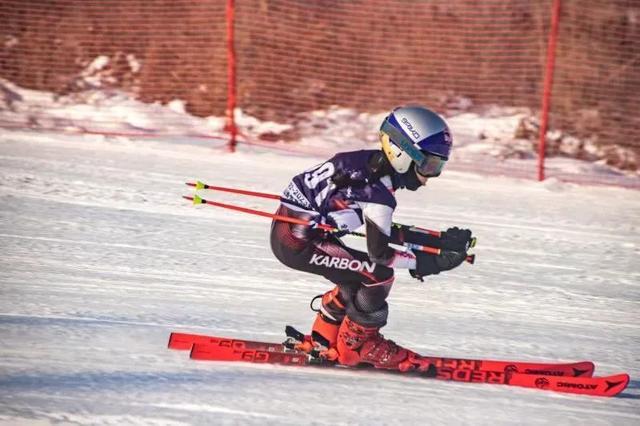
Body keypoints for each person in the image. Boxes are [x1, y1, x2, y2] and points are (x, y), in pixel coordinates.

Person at [270, 105, 473, 373]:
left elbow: (381, 228)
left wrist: (438, 242)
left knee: (357, 276)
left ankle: (324, 340)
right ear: (404, 153)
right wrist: (427, 263)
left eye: (438, 166)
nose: (428, 178)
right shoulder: (379, 194)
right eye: (429, 165)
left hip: (291, 233)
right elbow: (381, 253)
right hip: (298, 243)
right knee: (379, 275)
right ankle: (355, 348)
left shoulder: (367, 163)